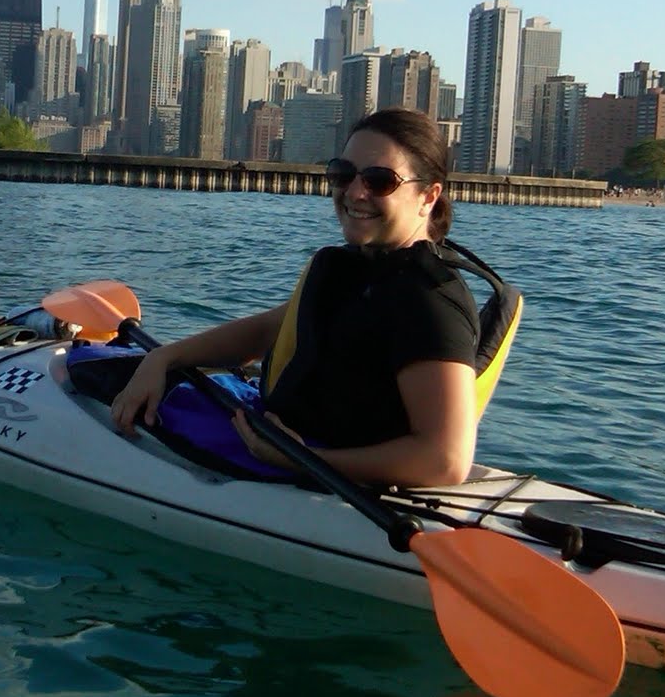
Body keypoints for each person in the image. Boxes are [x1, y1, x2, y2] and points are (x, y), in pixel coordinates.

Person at [110, 107, 484, 489]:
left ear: (428, 196)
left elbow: (445, 461)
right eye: (344, 174)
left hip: (317, 470)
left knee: (100, 383)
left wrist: (299, 459)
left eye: (379, 181)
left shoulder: (430, 302)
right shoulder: (362, 267)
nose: (355, 192)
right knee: (109, 370)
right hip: (279, 436)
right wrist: (163, 358)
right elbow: (271, 330)